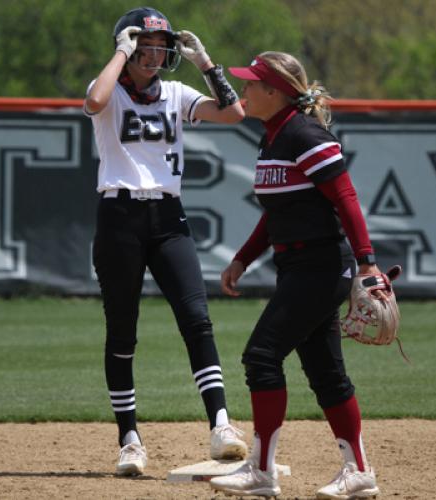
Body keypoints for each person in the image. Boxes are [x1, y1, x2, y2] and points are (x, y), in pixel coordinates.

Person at [209, 52, 385, 499]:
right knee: (326, 372)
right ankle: (359, 472)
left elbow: (345, 195)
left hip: (322, 265)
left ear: (275, 91)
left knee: (261, 356)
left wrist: (366, 262)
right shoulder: (275, 136)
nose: (244, 90)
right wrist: (242, 259)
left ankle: (262, 471)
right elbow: (276, 213)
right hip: (297, 266)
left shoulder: (304, 134)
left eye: (251, 84)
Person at [83, 7, 248, 476]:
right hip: (119, 214)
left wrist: (208, 65)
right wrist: (121, 50)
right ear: (129, 49)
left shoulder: (176, 92)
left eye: (161, 48)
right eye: (146, 48)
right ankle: (129, 440)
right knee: (122, 331)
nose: (155, 56)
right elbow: (94, 101)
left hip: (168, 217)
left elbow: (234, 113)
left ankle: (221, 425)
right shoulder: (112, 90)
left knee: (197, 319)